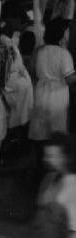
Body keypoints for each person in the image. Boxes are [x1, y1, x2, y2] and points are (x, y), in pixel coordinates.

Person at [28, 18, 76, 147]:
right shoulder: (64, 54)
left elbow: (32, 72)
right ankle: (52, 161)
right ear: (62, 34)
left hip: (40, 92)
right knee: (56, 133)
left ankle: (38, 162)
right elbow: (69, 79)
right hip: (57, 95)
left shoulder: (39, 51)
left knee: (39, 131)